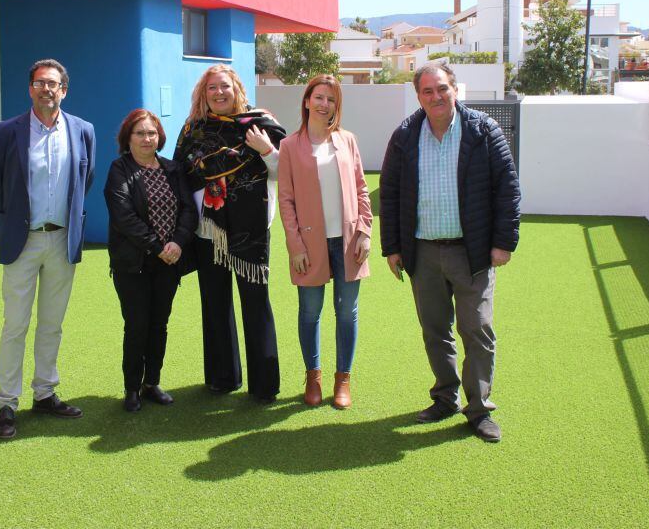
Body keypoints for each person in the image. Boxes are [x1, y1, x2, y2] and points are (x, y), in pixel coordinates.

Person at [379, 63, 520, 443]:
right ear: (418, 96)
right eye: (427, 91)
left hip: (471, 252)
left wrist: (503, 242)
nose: (436, 97)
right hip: (422, 252)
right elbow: (389, 195)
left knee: (477, 329)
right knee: (435, 330)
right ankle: (445, 397)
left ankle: (478, 409)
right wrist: (391, 247)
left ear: (454, 89)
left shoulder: (483, 131)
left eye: (441, 88)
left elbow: (507, 187)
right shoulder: (405, 136)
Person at [0, 59, 96, 440]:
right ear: (30, 88)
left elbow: (85, 178)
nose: (47, 89)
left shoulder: (83, 131)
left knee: (52, 323)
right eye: (39, 83)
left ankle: (45, 393)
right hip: (23, 241)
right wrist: (12, 216)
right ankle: (6, 403)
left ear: (65, 89)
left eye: (53, 83)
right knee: (15, 324)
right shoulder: (6, 132)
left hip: (62, 241)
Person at [173, 64, 287, 402]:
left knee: (256, 304)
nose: (219, 93)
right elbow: (180, 175)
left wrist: (265, 150)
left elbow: (286, 171)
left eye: (225, 87)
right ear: (203, 94)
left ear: (236, 88)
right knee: (215, 304)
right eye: (212, 88)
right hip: (208, 231)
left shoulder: (259, 124)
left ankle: (265, 386)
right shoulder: (193, 130)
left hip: (249, 230)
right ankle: (223, 378)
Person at [277, 75, 372, 409]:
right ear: (306, 101)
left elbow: (361, 189)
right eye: (318, 97)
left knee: (347, 314)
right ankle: (313, 376)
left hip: (347, 243)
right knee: (310, 312)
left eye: (331, 99)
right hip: (309, 244)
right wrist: (295, 246)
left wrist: (365, 231)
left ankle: (342, 379)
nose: (324, 105)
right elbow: (285, 200)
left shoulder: (347, 141)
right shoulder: (290, 146)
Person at [104, 109, 198, 412]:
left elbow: (188, 210)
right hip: (133, 263)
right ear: (128, 138)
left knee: (159, 324)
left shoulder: (173, 169)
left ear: (160, 137)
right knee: (137, 324)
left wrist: (178, 243)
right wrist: (158, 246)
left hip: (168, 263)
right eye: (140, 133)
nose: (147, 138)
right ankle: (131, 388)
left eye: (152, 133)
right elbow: (124, 218)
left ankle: (151, 383)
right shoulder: (119, 170)